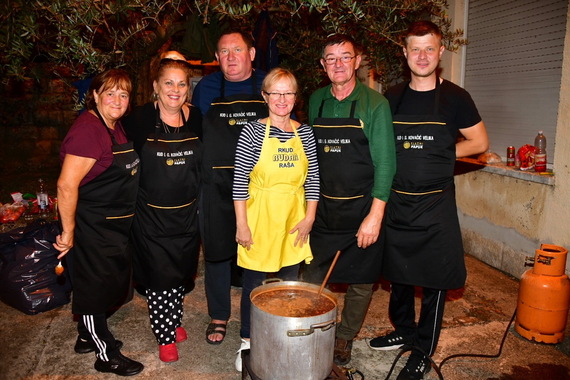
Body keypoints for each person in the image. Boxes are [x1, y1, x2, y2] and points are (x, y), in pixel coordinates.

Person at [367, 21, 489, 380]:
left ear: (440, 53)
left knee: (435, 279)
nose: (422, 56)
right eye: (415, 49)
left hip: (435, 206)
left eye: (429, 49)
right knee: (399, 275)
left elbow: (479, 142)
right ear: (404, 54)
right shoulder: (390, 97)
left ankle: (422, 350)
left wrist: (443, 152)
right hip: (397, 204)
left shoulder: (456, 97)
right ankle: (403, 328)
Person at [303, 34, 396, 366]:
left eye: (345, 57)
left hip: (361, 207)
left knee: (360, 279)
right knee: (313, 274)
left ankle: (345, 337)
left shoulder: (376, 104)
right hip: (324, 206)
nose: (338, 64)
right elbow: (310, 156)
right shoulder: (316, 100)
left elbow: (386, 162)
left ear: (358, 61)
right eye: (331, 58)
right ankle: (313, 327)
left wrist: (375, 215)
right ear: (323, 65)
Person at [53, 68, 144, 376]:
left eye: (124, 94)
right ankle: (105, 354)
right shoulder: (88, 130)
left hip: (113, 225)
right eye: (110, 93)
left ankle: (84, 337)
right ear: (94, 96)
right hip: (91, 226)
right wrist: (68, 233)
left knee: (109, 283)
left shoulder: (113, 127)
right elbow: (66, 185)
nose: (117, 100)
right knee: (93, 290)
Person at [232, 67, 320, 371]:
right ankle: (248, 343)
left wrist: (309, 218)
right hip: (260, 218)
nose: (281, 99)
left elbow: (313, 180)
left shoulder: (305, 132)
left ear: (296, 97)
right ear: (265, 96)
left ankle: (282, 338)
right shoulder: (253, 131)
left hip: (293, 221)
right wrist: (242, 224)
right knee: (255, 287)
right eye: (275, 92)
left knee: (288, 287)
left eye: (288, 93)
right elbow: (239, 180)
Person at [122, 55, 202, 363]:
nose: (175, 89)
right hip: (151, 215)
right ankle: (165, 336)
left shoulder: (195, 119)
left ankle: (175, 319)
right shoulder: (139, 119)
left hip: (185, 214)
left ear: (188, 89)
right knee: (159, 276)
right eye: (168, 82)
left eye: (181, 84)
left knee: (181, 272)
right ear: (156, 86)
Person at [191, 29, 268, 345]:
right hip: (217, 186)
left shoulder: (268, 85)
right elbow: (195, 135)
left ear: (251, 54)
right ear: (217, 58)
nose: (231, 57)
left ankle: (253, 321)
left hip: (259, 188)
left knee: (256, 256)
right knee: (217, 254)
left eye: (238, 50)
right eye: (224, 51)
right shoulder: (206, 88)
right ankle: (219, 315)